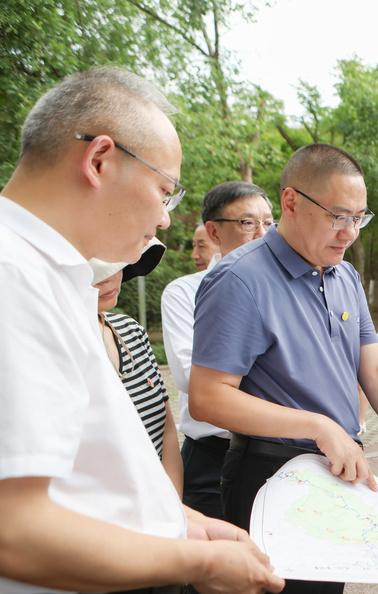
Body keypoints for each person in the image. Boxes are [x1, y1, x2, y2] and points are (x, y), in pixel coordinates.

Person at [0, 66, 282, 594]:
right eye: (164, 190)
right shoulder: (13, 276)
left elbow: (86, 481)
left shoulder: (53, 275)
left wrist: (183, 525)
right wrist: (197, 565)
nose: (165, 220)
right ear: (99, 160)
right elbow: (13, 529)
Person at [189, 143, 378, 594]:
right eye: (339, 216)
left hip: (335, 473)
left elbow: (374, 368)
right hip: (271, 475)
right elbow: (208, 396)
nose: (351, 232)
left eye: (359, 217)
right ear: (291, 202)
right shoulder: (240, 280)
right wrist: (318, 425)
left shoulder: (343, 274)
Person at [161, 180, 274, 519]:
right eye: (247, 223)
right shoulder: (184, 293)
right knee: (212, 564)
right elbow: (188, 377)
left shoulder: (287, 288)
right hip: (212, 456)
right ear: (213, 232)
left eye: (269, 223)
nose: (262, 233)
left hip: (280, 453)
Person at [91, 239, 184, 495]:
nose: (108, 279)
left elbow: (166, 428)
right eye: (95, 269)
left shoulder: (130, 329)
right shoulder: (51, 343)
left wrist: (174, 505)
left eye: (116, 265)